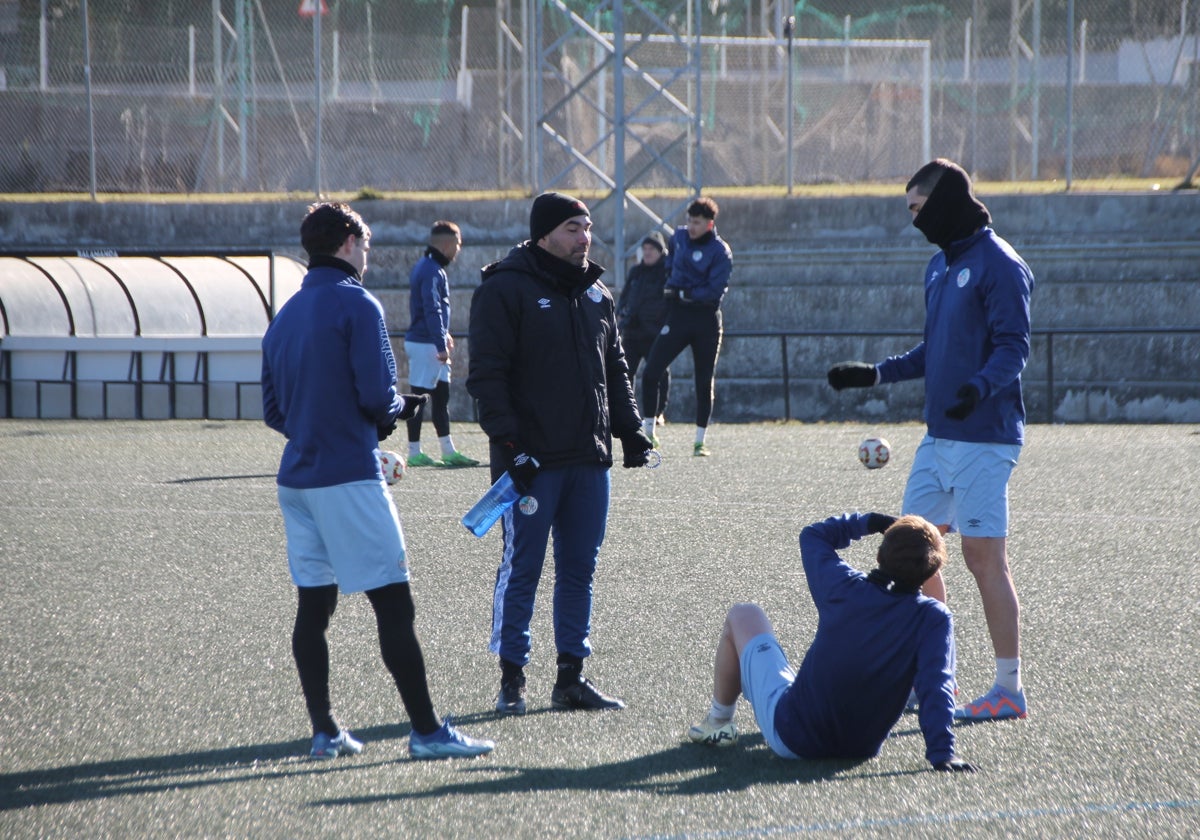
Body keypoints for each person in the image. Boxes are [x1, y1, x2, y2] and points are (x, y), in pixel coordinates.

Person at [261, 201, 495, 760]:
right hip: (348, 478)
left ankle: (325, 732)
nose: (367, 256)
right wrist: (394, 412)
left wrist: (327, 429)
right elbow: (376, 396)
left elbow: (274, 411)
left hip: (297, 480)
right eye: (364, 245)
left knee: (313, 610)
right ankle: (427, 732)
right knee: (394, 605)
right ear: (347, 242)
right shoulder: (357, 304)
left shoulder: (285, 314)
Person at [826, 158, 1034, 721]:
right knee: (911, 552)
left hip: (986, 437)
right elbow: (929, 353)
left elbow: (1014, 347)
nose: (914, 221)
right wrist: (873, 374)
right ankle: (933, 674)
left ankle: (1008, 690)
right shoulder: (938, 267)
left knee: (982, 557)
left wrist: (978, 388)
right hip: (939, 438)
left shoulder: (1000, 264)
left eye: (918, 210)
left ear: (943, 203)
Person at [466, 191, 655, 716]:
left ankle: (571, 678)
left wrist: (631, 430)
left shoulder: (597, 294)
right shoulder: (505, 289)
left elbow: (615, 370)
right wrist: (510, 446)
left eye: (587, 227)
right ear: (544, 233)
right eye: (573, 227)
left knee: (579, 570)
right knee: (521, 567)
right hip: (531, 465)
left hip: (588, 462)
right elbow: (486, 378)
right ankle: (512, 681)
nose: (584, 237)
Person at [687, 512, 976, 773]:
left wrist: (870, 521)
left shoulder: (843, 587)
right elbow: (936, 686)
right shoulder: (933, 617)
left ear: (879, 556)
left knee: (744, 614)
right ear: (929, 574)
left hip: (792, 739)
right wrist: (943, 754)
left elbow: (813, 534)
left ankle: (718, 721)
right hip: (861, 749)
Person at [639, 197, 731, 457]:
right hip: (678, 317)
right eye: (689, 220)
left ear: (709, 224)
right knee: (651, 370)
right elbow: (670, 260)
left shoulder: (720, 251)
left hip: (705, 320)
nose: (691, 226)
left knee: (703, 381)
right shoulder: (678, 237)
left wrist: (685, 293)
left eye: (697, 222)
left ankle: (700, 441)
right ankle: (648, 433)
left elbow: (715, 291)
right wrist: (672, 279)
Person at [403, 220, 479, 467]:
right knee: (420, 397)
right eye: (457, 243)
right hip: (426, 344)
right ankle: (414, 453)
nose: (459, 249)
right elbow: (431, 309)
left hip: (430, 341)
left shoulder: (430, 268)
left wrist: (443, 335)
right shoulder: (430, 270)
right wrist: (439, 344)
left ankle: (448, 450)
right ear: (447, 244)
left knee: (441, 396)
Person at [616, 230, 671, 438]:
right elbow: (625, 296)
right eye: (645, 249)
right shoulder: (636, 272)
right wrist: (621, 314)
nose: (647, 253)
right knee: (624, 373)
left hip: (655, 332)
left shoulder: (667, 271)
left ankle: (658, 413)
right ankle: (627, 413)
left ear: (660, 251)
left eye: (651, 249)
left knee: (658, 374)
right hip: (632, 331)